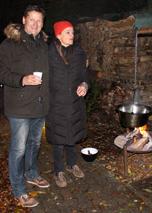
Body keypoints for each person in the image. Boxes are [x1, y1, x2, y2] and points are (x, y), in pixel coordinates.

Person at [0, 5, 50, 208]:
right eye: (32, 19)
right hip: (19, 107)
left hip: (40, 106)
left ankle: (33, 174)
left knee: (35, 144)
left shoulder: (43, 45)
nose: (36, 24)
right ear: (23, 20)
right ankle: (19, 189)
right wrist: (21, 79)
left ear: (43, 24)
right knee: (18, 150)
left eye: (39, 21)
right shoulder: (10, 44)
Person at [45, 21, 90, 188]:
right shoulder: (49, 52)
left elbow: (84, 74)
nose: (72, 35)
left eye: (72, 32)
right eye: (68, 32)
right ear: (58, 35)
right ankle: (59, 171)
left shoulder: (78, 51)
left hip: (74, 101)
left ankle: (72, 165)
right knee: (58, 138)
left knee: (72, 135)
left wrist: (84, 85)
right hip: (56, 102)